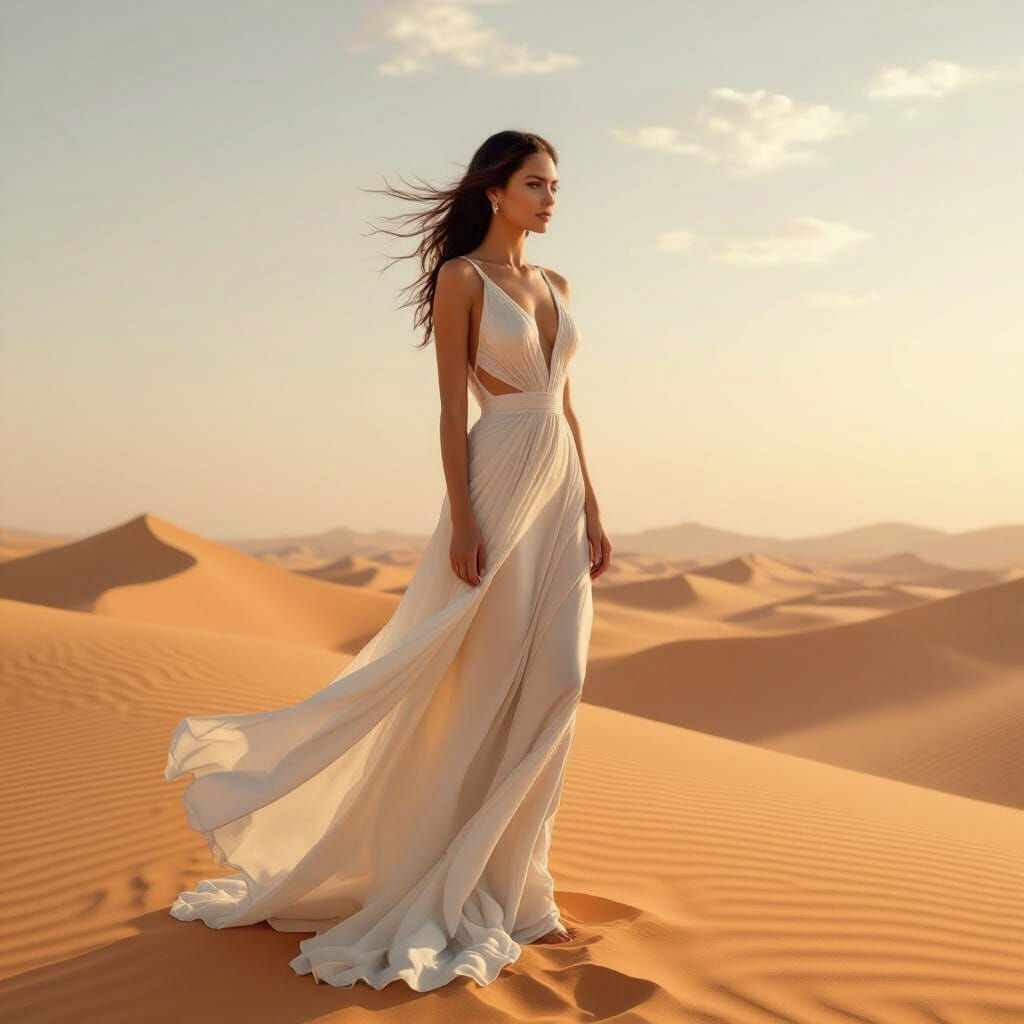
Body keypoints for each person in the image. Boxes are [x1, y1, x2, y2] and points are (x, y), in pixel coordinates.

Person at [164, 130, 612, 992]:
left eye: (556, 185)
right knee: (475, 683)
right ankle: (461, 880)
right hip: (496, 484)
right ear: (494, 191)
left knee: (559, 682)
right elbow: (451, 409)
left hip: (558, 487)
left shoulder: (556, 284)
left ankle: (521, 887)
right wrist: (463, 521)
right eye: (536, 184)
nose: (552, 198)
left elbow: (567, 404)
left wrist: (592, 502)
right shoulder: (462, 281)